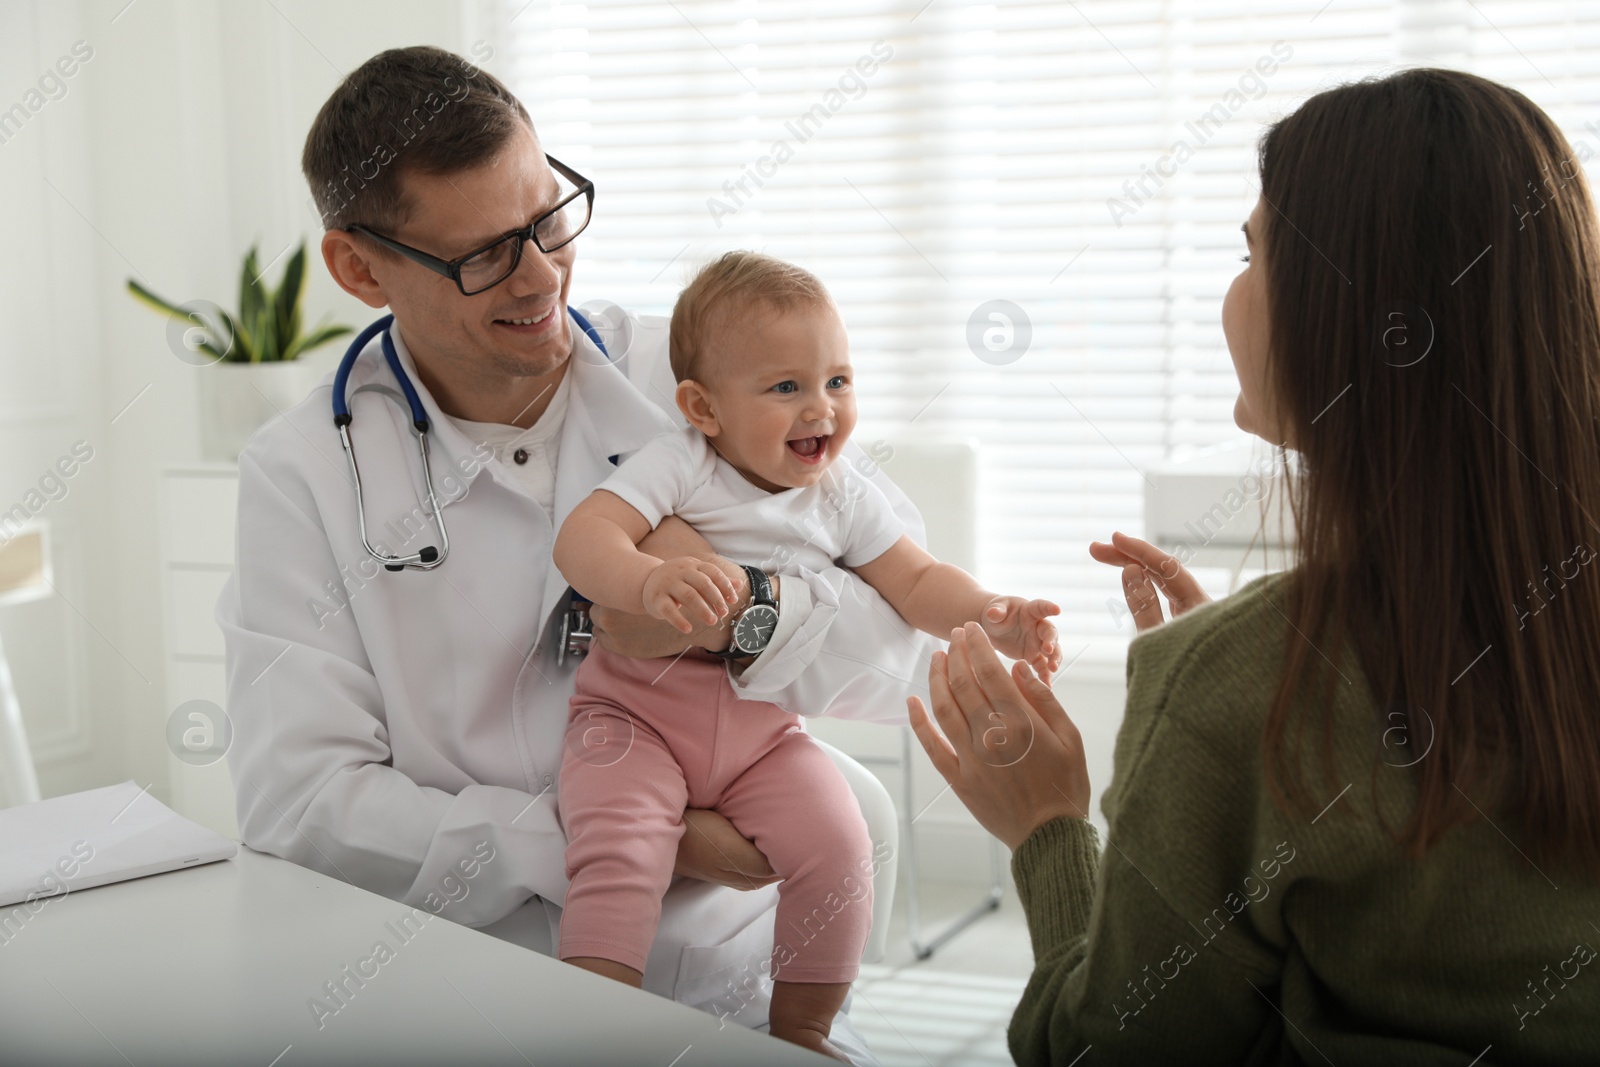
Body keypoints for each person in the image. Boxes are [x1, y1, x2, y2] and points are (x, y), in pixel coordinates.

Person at [215, 46, 939, 1063]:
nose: (542, 274)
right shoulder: (302, 473)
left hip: (733, 992)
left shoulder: (694, 376)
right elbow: (303, 804)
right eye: (483, 255)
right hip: (468, 995)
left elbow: (900, 637)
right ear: (359, 267)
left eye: (549, 219)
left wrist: (747, 609)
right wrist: (623, 836)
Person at [909, 68, 1600, 1064]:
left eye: (1250, 251)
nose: (1230, 292)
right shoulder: (1246, 674)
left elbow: (1108, 1051)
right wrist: (1238, 672)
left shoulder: (1230, 683)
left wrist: (1049, 827)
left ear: (1345, 310)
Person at [551, 251, 1061, 1059]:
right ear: (702, 406)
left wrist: (993, 613)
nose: (820, 407)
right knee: (620, 851)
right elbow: (583, 538)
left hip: (757, 730)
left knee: (842, 841)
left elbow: (917, 580)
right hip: (633, 717)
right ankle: (597, 1034)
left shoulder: (843, 494)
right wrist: (648, 584)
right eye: (785, 387)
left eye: (838, 380)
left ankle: (803, 1028)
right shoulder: (683, 463)